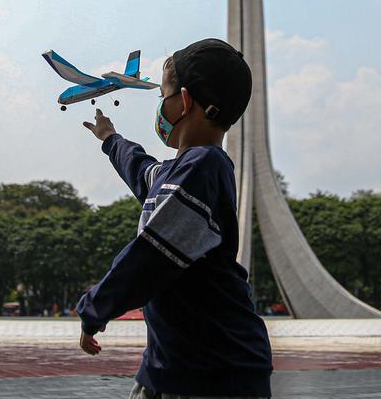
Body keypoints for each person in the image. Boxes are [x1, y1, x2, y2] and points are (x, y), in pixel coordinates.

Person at [75, 38, 274, 399]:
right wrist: (110, 139)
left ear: (183, 101)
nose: (160, 106)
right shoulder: (178, 173)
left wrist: (96, 306)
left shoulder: (204, 169)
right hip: (170, 366)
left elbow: (152, 255)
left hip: (216, 372)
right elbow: (141, 170)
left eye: (162, 95)